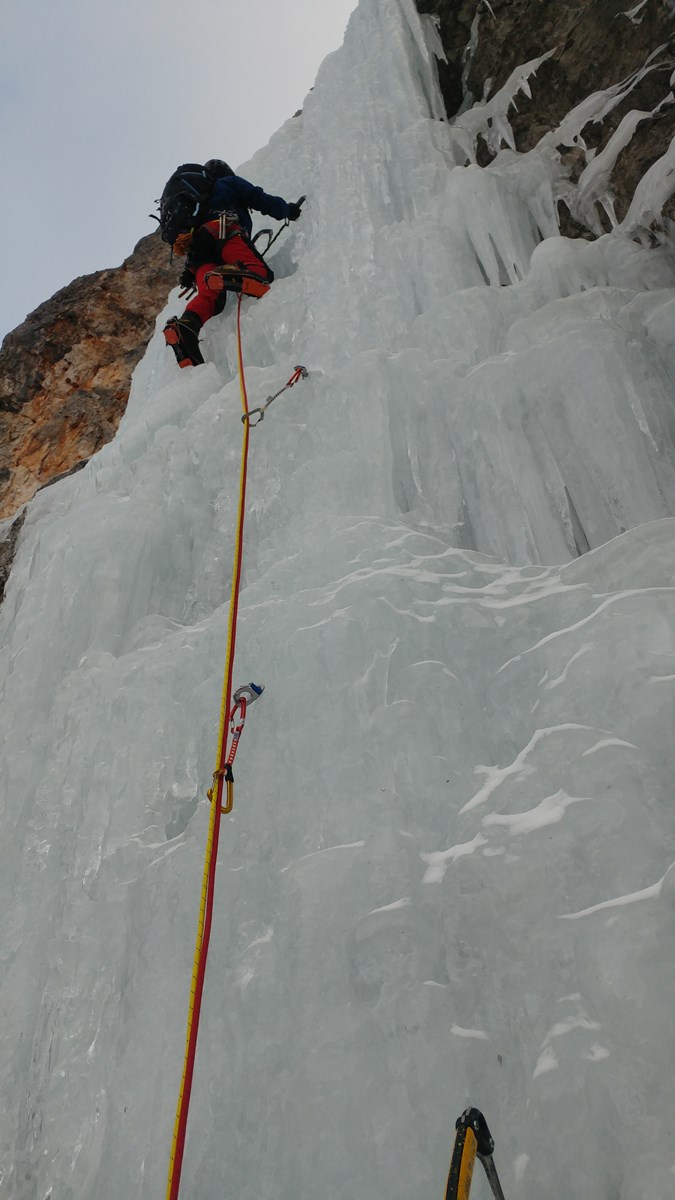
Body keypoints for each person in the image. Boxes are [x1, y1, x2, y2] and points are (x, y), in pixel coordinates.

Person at [162, 160, 303, 368]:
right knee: (260, 274)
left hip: (199, 255)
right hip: (222, 231)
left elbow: (195, 243)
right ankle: (229, 274)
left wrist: (189, 272)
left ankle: (186, 327)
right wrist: (288, 210)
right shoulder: (228, 183)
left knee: (211, 297)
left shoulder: (197, 204)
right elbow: (259, 198)